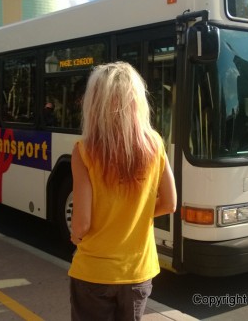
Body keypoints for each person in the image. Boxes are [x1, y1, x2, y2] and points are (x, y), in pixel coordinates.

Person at [68, 62, 177, 321]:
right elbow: (171, 203)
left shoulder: (83, 150)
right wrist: (136, 217)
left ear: (94, 103)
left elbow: (81, 223)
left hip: (94, 272)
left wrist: (75, 236)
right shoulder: (155, 143)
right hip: (138, 272)